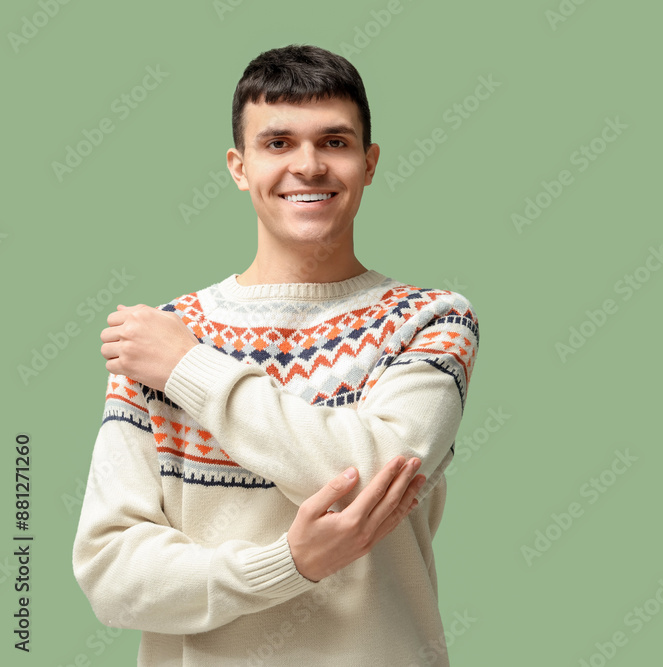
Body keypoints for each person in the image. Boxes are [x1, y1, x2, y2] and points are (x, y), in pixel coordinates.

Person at [72, 44, 480, 666]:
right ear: (239, 166)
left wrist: (192, 369)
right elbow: (112, 575)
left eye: (335, 143)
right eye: (279, 143)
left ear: (370, 163)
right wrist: (284, 566)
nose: (309, 166)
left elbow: (369, 475)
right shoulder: (163, 334)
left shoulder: (431, 320)